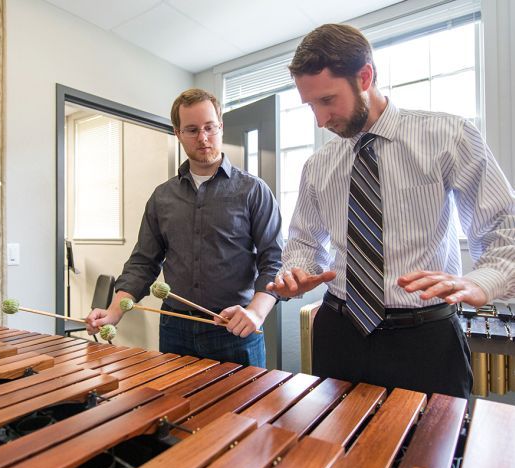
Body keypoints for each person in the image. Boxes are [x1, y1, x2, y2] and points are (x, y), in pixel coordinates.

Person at [267, 24, 515, 399]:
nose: (320, 120)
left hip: (425, 339)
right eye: (311, 105)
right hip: (339, 333)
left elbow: (502, 227)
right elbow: (303, 243)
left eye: (328, 100)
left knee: (430, 454)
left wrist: (483, 281)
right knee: (339, 450)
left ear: (365, 76)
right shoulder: (318, 166)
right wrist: (298, 271)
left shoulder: (449, 136)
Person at [87, 88, 283, 367]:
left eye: (209, 127)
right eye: (191, 130)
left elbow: (274, 261)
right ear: (177, 133)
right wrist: (113, 312)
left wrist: (256, 312)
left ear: (221, 127)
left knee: (242, 411)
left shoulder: (254, 191)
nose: (203, 138)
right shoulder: (162, 197)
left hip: (233, 329)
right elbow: (143, 263)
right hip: (174, 328)